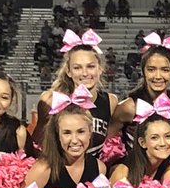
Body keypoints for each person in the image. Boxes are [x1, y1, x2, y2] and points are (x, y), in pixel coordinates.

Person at [31, 30, 119, 160]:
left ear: (100, 69)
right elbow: (37, 146)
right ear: (68, 71)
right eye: (77, 68)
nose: (84, 73)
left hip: (96, 174)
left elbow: (110, 146)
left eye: (90, 66)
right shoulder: (52, 100)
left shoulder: (111, 102)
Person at [113, 35, 170, 153]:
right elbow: (110, 143)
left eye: (165, 70)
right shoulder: (129, 107)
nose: (158, 76)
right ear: (143, 72)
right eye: (151, 69)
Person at [23, 101, 105, 188]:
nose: (74, 140)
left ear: (90, 132)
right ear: (58, 135)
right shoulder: (42, 170)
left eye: (81, 132)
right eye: (67, 133)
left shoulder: (99, 168)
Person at [109, 115, 170, 186]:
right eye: (154, 138)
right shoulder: (123, 172)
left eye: (168, 136)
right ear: (142, 142)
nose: (163, 143)